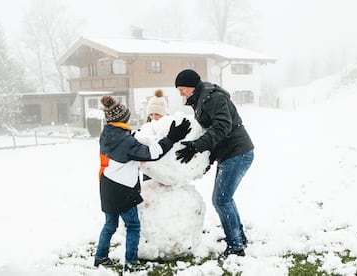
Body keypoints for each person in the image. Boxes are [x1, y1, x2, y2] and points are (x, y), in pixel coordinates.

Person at [94, 95, 191, 269]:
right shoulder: (126, 142)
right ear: (123, 118)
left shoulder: (108, 132)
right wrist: (171, 137)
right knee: (133, 226)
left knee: (110, 224)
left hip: (107, 185)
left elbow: (126, 142)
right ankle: (131, 263)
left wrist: (135, 135)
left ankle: (100, 257)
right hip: (122, 190)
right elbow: (152, 153)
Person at [174, 69, 254, 258]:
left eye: (182, 89)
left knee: (221, 199)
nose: (180, 93)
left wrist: (197, 147)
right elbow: (211, 131)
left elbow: (222, 126)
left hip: (238, 152)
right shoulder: (201, 99)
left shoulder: (213, 98)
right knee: (225, 198)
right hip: (228, 153)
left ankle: (235, 247)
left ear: (192, 87)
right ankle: (238, 237)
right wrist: (206, 159)